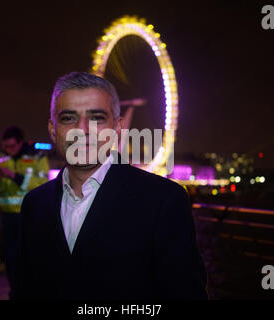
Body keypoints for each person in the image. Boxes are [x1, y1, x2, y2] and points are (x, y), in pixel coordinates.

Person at [13, 72, 207, 300]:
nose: (83, 129)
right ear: (53, 129)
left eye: (97, 118)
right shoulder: (34, 205)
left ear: (117, 128)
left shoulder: (163, 200)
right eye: (68, 118)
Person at [0, 126, 49, 298]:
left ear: (20, 143)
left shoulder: (38, 158)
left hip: (31, 217)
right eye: (5, 146)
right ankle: (16, 292)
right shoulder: (2, 162)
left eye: (11, 146)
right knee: (11, 259)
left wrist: (15, 176)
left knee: (31, 258)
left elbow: (43, 184)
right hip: (8, 218)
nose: (7, 150)